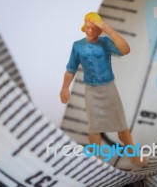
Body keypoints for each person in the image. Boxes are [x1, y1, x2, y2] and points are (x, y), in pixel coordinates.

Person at [60, 12, 147, 167]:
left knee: (122, 127)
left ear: (100, 29)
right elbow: (71, 69)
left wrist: (108, 29)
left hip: (109, 89)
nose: (91, 30)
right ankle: (96, 160)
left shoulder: (106, 42)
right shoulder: (77, 46)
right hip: (92, 91)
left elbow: (125, 50)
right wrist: (65, 87)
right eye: (88, 27)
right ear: (84, 27)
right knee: (94, 128)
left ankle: (134, 156)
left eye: (95, 27)